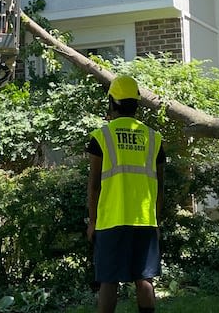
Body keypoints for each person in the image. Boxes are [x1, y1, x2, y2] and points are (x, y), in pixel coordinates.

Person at [86, 75, 164, 313]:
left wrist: (93, 222)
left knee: (109, 280)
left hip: (111, 220)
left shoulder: (102, 136)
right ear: (136, 104)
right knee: (144, 279)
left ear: (112, 102)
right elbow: (160, 186)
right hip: (144, 220)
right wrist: (157, 222)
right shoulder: (154, 138)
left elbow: (94, 185)